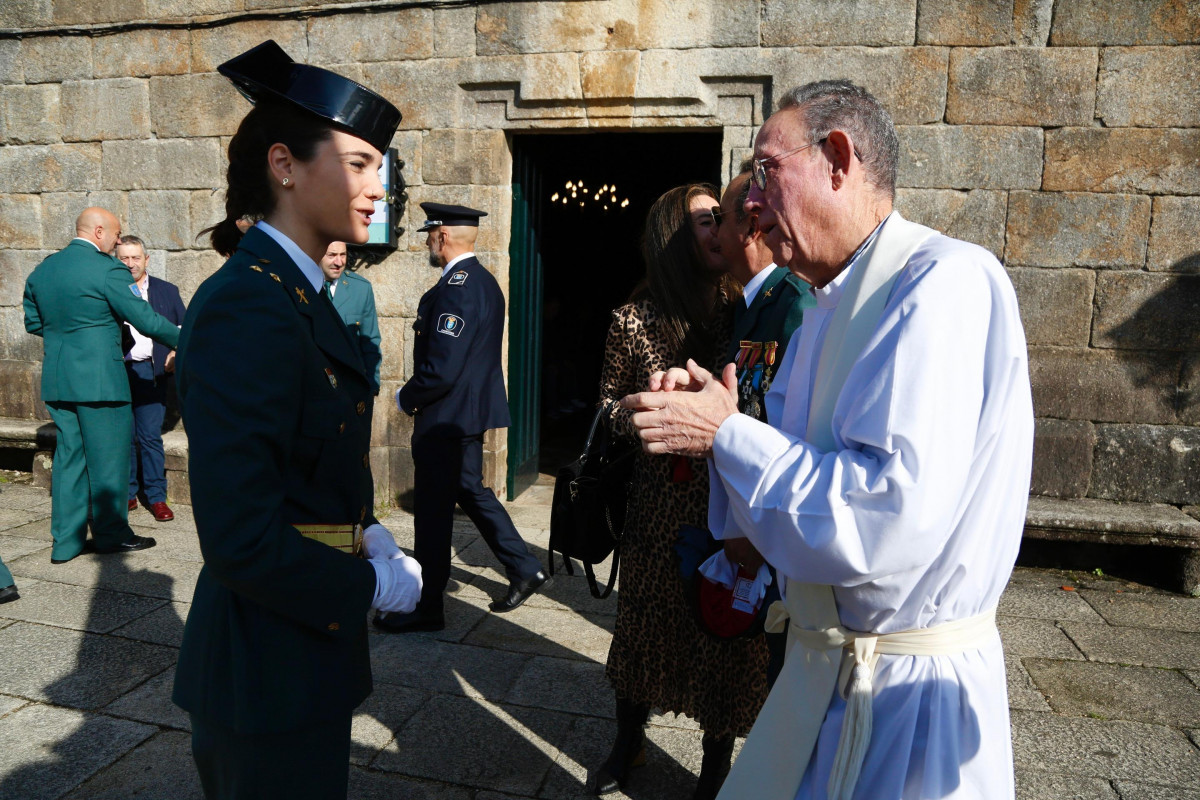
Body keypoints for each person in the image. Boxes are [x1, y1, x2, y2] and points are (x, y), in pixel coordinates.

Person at [623, 80, 1034, 800]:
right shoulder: (822, 304)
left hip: (901, 699)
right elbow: (793, 498)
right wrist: (716, 430)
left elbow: (882, 517)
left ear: (838, 157)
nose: (746, 205)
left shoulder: (942, 286)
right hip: (827, 671)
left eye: (766, 171)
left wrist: (728, 436)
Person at [169, 40, 422, 800]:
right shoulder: (253, 300)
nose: (380, 187)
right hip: (263, 667)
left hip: (299, 655)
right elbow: (242, 539)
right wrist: (369, 587)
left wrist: (365, 532)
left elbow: (304, 466)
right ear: (284, 165)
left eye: (380, 165)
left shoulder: (297, 292)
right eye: (358, 163)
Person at [594, 183, 767, 800]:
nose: (722, 228)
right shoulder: (632, 318)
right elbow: (607, 407)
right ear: (675, 236)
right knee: (642, 626)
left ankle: (714, 771)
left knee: (720, 634)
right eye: (706, 220)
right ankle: (626, 744)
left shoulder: (742, 308)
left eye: (722, 217)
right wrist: (648, 415)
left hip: (725, 503)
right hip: (656, 503)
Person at [376, 202, 549, 634]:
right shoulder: (484, 281)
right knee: (470, 489)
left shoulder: (456, 286)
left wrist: (405, 397)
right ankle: (524, 566)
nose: (429, 242)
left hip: (446, 418)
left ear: (443, 236)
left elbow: (443, 367)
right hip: (468, 413)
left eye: (431, 234)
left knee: (432, 514)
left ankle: (428, 605)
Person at [22, 207, 180, 564]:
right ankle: (111, 535)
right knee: (108, 460)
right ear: (97, 231)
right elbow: (143, 317)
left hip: (60, 378)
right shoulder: (107, 269)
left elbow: (35, 323)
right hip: (101, 380)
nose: (118, 241)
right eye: (115, 234)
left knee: (68, 460)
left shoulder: (43, 270)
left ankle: (65, 542)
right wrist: (186, 338)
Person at [715, 165, 815, 687]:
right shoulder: (750, 307)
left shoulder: (792, 305)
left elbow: (792, 428)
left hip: (774, 522)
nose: (710, 233)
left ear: (750, 226)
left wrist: (754, 528)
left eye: (717, 218)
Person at [117, 234, 187, 522]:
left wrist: (174, 352)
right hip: (118, 372)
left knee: (148, 437)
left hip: (151, 372)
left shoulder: (167, 291)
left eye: (136, 257)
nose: (131, 263)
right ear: (116, 261)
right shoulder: (111, 290)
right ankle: (129, 493)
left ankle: (157, 496)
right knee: (124, 437)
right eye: (124, 258)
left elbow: (182, 326)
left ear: (147, 259)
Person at [320, 241, 382, 395]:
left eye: (343, 255)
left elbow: (370, 341)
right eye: (332, 255)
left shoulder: (360, 288)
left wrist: (372, 386)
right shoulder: (302, 285)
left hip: (350, 387)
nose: (339, 262)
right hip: (315, 387)